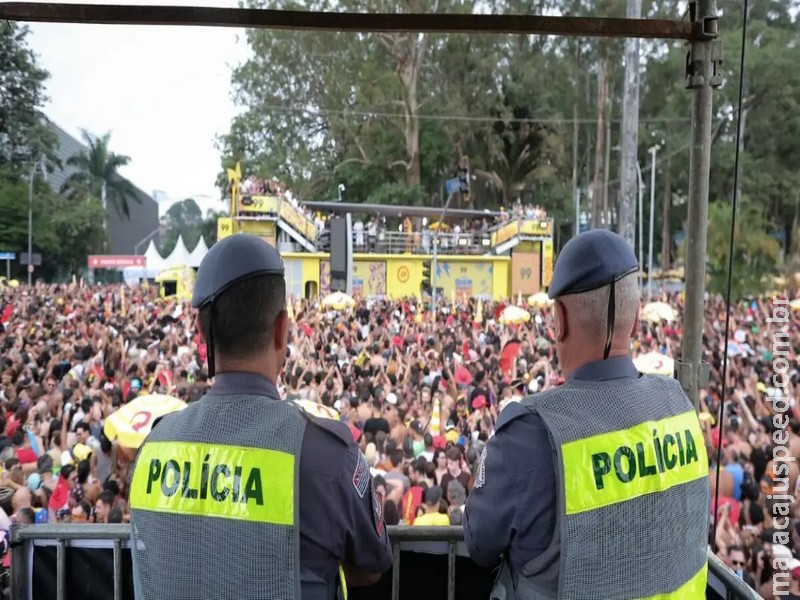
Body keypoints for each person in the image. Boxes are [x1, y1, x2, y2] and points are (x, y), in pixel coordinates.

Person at [129, 234, 392, 600]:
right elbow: (370, 566)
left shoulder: (152, 448)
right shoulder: (327, 454)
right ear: (281, 328)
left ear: (203, 332)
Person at [464, 229, 710, 599]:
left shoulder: (528, 434)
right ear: (637, 318)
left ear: (559, 319)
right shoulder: (679, 407)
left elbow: (479, 544)